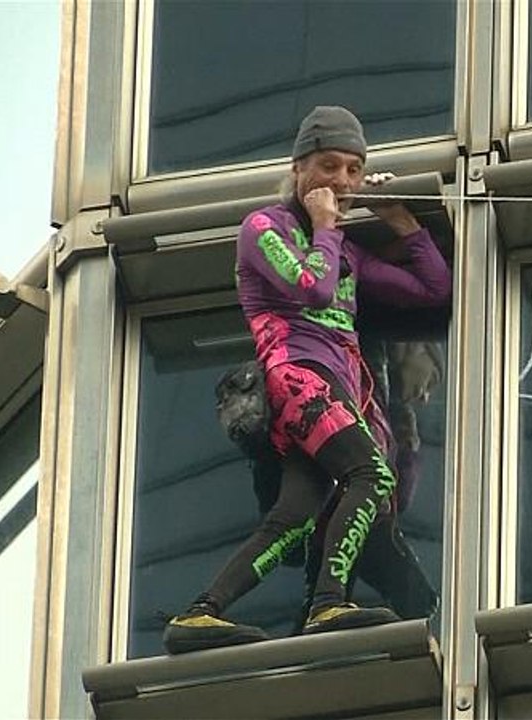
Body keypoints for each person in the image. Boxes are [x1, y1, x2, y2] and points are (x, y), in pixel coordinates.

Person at [163, 106, 451, 654]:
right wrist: (324, 228)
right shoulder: (264, 227)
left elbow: (435, 289)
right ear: (299, 169)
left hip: (326, 392)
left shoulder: (346, 253)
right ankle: (328, 602)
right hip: (298, 378)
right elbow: (312, 288)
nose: (342, 182)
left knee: (295, 517)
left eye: (353, 170)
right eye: (328, 166)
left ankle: (199, 614)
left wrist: (402, 223)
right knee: (372, 474)